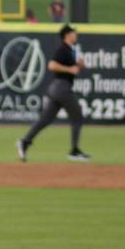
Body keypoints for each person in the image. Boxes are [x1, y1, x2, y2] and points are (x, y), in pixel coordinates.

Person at [16, 25, 90, 163]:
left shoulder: (70, 50)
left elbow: (72, 68)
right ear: (67, 35)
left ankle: (24, 142)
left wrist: (78, 65)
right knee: (77, 116)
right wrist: (70, 69)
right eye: (73, 33)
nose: (76, 35)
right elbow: (51, 65)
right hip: (62, 88)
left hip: (56, 89)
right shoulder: (63, 49)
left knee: (45, 120)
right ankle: (74, 151)